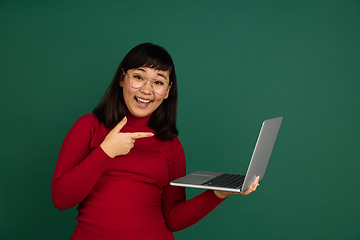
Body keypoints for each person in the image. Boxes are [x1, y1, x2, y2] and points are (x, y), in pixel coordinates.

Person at [51, 43, 259, 240]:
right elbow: (61, 199)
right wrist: (106, 151)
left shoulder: (171, 145)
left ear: (167, 91)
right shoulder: (89, 126)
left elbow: (173, 218)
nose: (146, 89)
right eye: (138, 77)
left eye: (158, 82)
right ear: (122, 79)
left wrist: (219, 193)